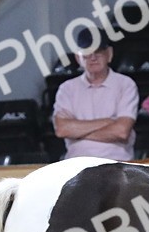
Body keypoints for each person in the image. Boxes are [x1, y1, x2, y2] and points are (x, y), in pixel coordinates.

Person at [52, 29, 139, 160]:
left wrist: (76, 133)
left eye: (98, 52)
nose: (93, 57)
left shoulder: (126, 84)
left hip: (117, 164)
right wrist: (109, 122)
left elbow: (121, 131)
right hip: (76, 165)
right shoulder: (66, 89)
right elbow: (62, 130)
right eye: (87, 53)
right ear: (78, 58)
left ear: (109, 54)